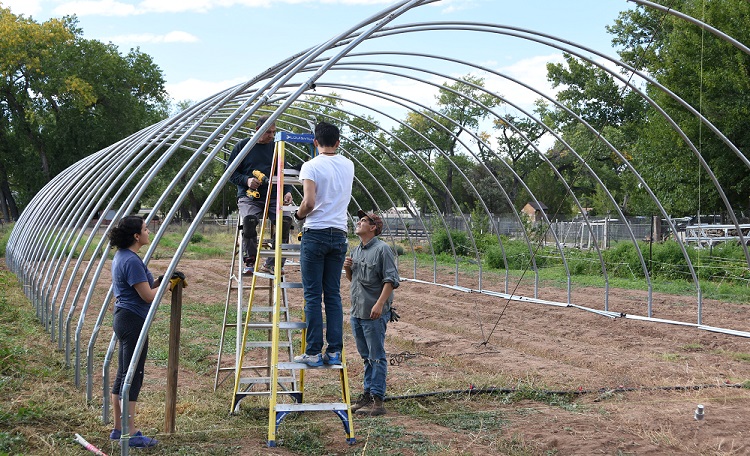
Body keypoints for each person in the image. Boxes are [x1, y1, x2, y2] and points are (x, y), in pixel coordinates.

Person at [292, 122, 354, 367]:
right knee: (333, 295)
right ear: (338, 142)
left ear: (315, 142)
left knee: (312, 295)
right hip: (339, 234)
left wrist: (297, 216)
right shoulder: (348, 164)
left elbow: (309, 202)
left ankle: (314, 352)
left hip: (316, 232)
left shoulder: (311, 166)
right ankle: (335, 351)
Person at [108, 216, 160, 448]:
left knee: (123, 375)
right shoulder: (131, 260)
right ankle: (131, 433)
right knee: (132, 376)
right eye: (145, 229)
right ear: (136, 236)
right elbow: (148, 296)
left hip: (124, 318)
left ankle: (119, 429)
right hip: (133, 321)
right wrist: (168, 286)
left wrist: (161, 281)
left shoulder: (123, 256)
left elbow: (145, 288)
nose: (148, 232)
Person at [343, 210, 399, 416]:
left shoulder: (382, 250)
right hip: (357, 311)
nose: (358, 223)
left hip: (374, 313)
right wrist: (348, 268)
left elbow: (391, 280)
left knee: (376, 357)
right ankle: (367, 394)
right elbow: (354, 281)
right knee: (366, 357)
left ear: (373, 227)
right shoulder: (356, 250)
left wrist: (379, 304)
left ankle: (378, 401)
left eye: (363, 221)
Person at [227, 115, 294, 275]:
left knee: (285, 221)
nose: (271, 135)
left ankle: (273, 263)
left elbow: (284, 172)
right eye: (268, 132)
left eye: (273, 132)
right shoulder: (243, 146)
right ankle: (250, 261)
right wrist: (246, 180)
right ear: (257, 130)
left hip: (273, 196)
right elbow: (230, 173)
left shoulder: (276, 147)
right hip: (249, 197)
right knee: (249, 221)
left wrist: (288, 191)